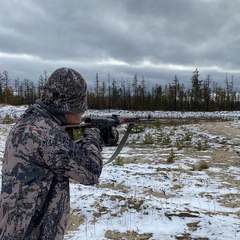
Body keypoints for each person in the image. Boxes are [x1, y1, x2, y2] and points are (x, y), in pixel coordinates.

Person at [0, 67, 103, 239]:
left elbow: (61, 156)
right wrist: (93, 136)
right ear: (68, 107)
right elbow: (90, 172)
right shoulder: (47, 133)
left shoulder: (31, 122)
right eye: (80, 110)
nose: (81, 115)